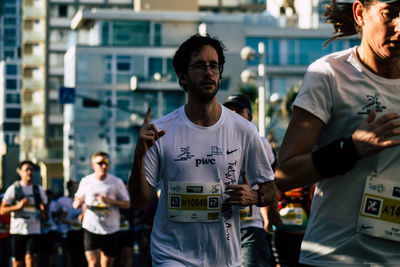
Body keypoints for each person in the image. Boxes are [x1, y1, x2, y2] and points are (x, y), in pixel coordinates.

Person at [129, 34, 280, 266]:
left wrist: (253, 196)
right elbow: (140, 202)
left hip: (223, 256)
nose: (209, 72)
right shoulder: (161, 132)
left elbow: (270, 188)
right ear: (183, 77)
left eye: (214, 66)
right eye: (200, 65)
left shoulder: (244, 130)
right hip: (172, 254)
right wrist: (139, 155)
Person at [275, 0, 400, 265]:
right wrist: (350, 150)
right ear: (360, 13)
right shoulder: (329, 74)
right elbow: (283, 174)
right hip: (333, 256)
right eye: (390, 15)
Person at [223, 94, 276, 267]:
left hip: (250, 227)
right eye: (229, 110)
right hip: (219, 229)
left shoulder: (260, 143)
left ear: (250, 116)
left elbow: (269, 185)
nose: (233, 113)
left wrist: (268, 215)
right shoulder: (215, 143)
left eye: (238, 110)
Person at [73, 151, 130, 267]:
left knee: (106, 264)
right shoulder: (86, 181)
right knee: (93, 263)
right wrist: (77, 203)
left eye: (106, 162)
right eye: (100, 163)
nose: (104, 166)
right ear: (93, 165)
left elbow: (127, 204)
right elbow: (77, 200)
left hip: (111, 228)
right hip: (91, 227)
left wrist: (111, 201)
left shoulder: (116, 182)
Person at [0, 160, 48, 267]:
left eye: (31, 170)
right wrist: (18, 206)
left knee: (30, 259)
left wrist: (43, 213)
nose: (29, 172)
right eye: (26, 170)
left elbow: (45, 210)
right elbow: (2, 210)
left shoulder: (39, 190)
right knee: (17, 262)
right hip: (17, 230)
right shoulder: (14, 189)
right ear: (20, 172)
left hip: (34, 230)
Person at [56, 180, 86, 267]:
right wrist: (70, 222)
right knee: (70, 254)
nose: (76, 189)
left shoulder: (84, 201)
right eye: (74, 187)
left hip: (81, 231)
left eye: (78, 187)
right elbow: (59, 216)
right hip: (69, 231)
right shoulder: (64, 201)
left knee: (81, 255)